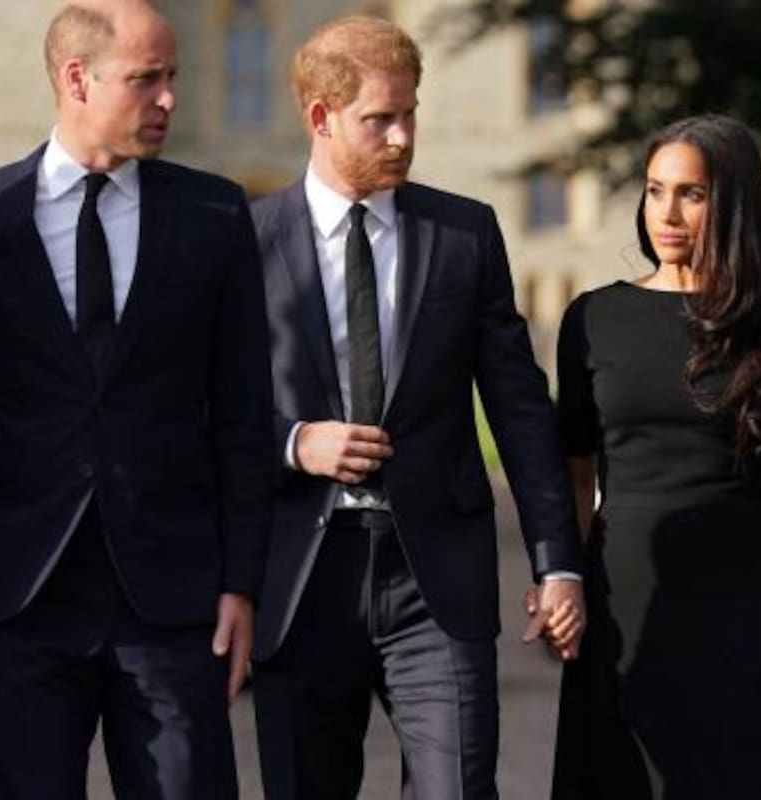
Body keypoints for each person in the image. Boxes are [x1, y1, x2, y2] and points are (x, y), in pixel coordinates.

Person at [0, 2, 272, 798]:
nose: (170, 100)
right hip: (24, 596)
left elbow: (245, 413)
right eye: (147, 79)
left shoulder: (216, 215)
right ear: (77, 79)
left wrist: (242, 581)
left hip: (175, 602)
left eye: (172, 77)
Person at [249, 16, 587, 800]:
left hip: (434, 579)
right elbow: (201, 408)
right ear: (320, 118)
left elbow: (520, 407)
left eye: (410, 114)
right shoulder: (246, 240)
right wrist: (297, 443)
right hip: (300, 577)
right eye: (379, 119)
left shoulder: (464, 233)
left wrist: (557, 560)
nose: (402, 137)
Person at [550, 113, 761, 799]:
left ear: (736, 202)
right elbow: (574, 476)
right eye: (656, 191)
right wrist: (559, 578)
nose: (668, 213)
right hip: (625, 604)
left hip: (745, 609)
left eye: (692, 193)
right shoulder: (593, 320)